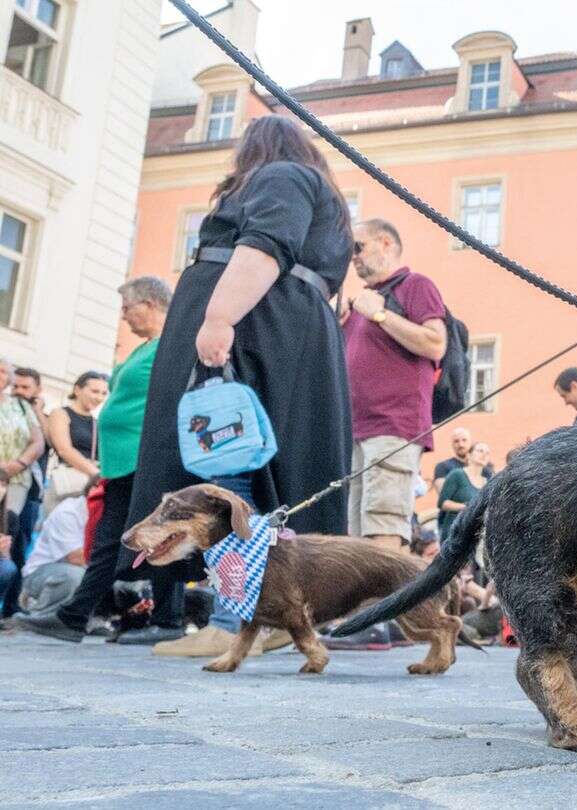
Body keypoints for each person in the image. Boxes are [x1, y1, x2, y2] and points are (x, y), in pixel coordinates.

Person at [120, 116, 354, 637]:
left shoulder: (281, 176)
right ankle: (263, 618)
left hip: (253, 327)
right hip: (279, 326)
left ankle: (236, 619)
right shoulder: (315, 189)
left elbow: (265, 245)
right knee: (252, 466)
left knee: (227, 463)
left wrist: (219, 315)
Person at [17, 277, 183, 645]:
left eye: (128, 308)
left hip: (150, 459)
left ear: (151, 304)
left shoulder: (174, 342)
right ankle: (75, 615)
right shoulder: (146, 347)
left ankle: (169, 620)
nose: (124, 317)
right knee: (109, 540)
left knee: (160, 535)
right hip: (123, 464)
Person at [342, 217, 446, 550]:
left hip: (392, 426)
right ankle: (372, 603)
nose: (353, 256)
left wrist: (381, 315)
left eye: (358, 247)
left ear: (386, 243)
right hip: (357, 430)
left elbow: (434, 343)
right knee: (357, 534)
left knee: (382, 526)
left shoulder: (415, 285)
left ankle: (382, 603)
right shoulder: (361, 303)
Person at [0, 360, 44, 617]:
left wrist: (17, 464)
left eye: (5, 371)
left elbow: (38, 442)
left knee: (9, 538)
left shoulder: (20, 406)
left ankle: (8, 607)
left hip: (16, 480)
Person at [42, 372, 107, 515]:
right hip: (67, 482)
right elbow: (64, 449)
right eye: (94, 391)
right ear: (77, 390)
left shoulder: (97, 423)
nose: (99, 397)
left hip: (89, 486)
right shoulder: (60, 413)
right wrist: (95, 473)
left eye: (103, 393)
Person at [19, 487, 88, 614]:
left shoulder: (112, 513)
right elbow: (75, 558)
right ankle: (38, 615)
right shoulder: (68, 511)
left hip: (79, 569)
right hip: (42, 572)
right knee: (76, 576)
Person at [437, 442, 490, 540]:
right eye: (480, 451)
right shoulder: (457, 474)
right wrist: (468, 507)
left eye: (487, 453)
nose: (484, 455)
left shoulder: (487, 482)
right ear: (469, 455)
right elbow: (442, 503)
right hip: (453, 531)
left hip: (475, 534)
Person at [431, 428, 471, 493]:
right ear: (452, 444)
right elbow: (443, 493)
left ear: (470, 442)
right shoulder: (442, 467)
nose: (461, 444)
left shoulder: (484, 465)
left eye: (464, 440)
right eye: (456, 441)